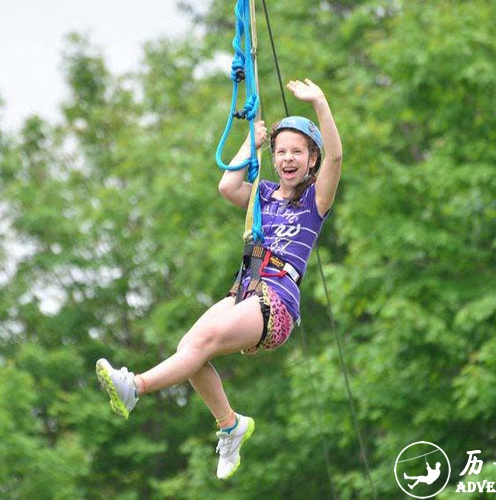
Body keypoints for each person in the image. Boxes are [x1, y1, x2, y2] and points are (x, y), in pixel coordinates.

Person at [96, 78, 342, 480]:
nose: (288, 159)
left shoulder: (315, 202)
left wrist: (320, 103)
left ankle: (136, 387)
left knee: (202, 343)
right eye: (282, 152)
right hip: (245, 290)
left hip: (275, 300)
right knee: (189, 349)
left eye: (298, 152)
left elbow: (335, 159)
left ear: (311, 160)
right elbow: (227, 185)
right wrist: (252, 142)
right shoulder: (261, 197)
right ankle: (230, 425)